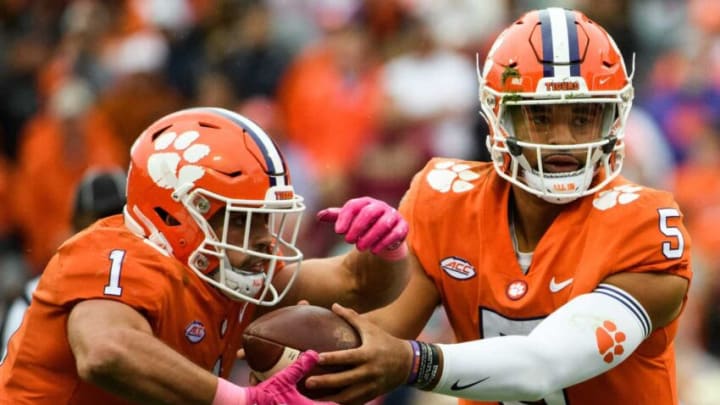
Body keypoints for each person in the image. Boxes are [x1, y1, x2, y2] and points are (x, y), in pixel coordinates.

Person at [305, 8, 693, 405]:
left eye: (583, 116)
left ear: (614, 118)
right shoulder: (445, 199)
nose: (562, 138)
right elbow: (380, 337)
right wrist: (298, 356)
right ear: (498, 117)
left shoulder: (644, 225)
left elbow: (542, 366)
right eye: (539, 117)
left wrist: (413, 362)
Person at [0, 107, 409, 405]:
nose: (265, 240)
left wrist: (387, 248)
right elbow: (107, 351)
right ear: (178, 210)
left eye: (265, 221)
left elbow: (357, 285)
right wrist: (244, 401)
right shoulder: (114, 251)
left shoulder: (218, 269)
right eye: (244, 222)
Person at [1, 167, 127, 360]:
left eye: (118, 221)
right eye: (98, 222)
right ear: (75, 229)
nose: (108, 232)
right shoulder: (33, 299)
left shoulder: (162, 285)